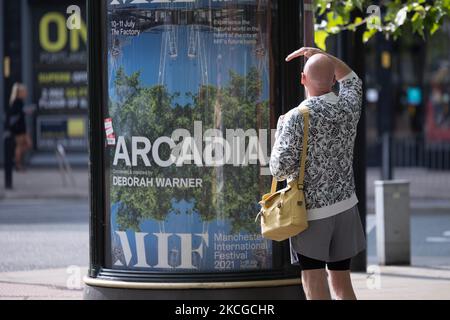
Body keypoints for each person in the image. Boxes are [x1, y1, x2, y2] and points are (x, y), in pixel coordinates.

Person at [269, 47, 366, 300]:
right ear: (333, 79)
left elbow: (279, 168)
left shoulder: (295, 117)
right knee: (342, 282)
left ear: (303, 78)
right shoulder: (348, 107)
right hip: (346, 208)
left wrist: (279, 131)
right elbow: (353, 80)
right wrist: (323, 55)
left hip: (311, 214)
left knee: (314, 282)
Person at [8, 83, 32, 171]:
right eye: (24, 92)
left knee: (27, 144)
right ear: (20, 93)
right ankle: (17, 163)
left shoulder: (18, 102)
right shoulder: (17, 102)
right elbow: (18, 115)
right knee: (20, 145)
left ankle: (17, 160)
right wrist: (25, 112)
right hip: (19, 128)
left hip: (20, 128)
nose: (26, 93)